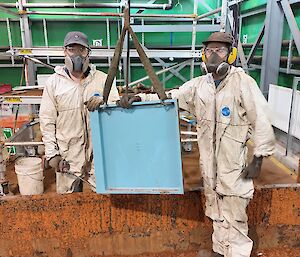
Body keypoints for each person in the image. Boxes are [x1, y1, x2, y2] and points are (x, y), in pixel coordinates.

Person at [118, 32, 275, 257]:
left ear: (230, 55)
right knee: (216, 212)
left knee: (235, 216)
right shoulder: (199, 85)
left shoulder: (242, 83)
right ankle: (220, 252)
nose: (213, 56)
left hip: (232, 165)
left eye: (219, 51)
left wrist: (259, 157)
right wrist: (140, 98)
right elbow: (171, 97)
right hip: (209, 166)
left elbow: (261, 117)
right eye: (209, 50)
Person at [40, 31, 119, 193]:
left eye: (81, 50)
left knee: (101, 203)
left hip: (98, 158)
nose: (77, 55)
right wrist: (52, 154)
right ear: (64, 51)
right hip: (68, 160)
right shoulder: (54, 83)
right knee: (70, 206)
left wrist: (105, 104)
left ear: (88, 53)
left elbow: (116, 113)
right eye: (71, 49)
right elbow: (47, 121)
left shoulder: (103, 80)